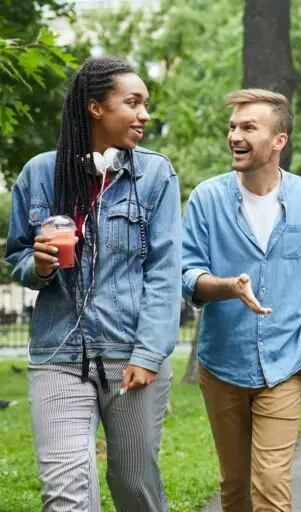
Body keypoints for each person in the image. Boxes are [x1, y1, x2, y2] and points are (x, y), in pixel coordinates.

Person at [5, 56, 182, 511]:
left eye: (146, 104)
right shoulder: (40, 174)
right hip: (59, 354)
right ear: (95, 107)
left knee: (135, 485)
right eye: (133, 102)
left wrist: (148, 353)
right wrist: (38, 268)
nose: (144, 114)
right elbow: (17, 257)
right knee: (65, 492)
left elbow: (164, 273)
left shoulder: (155, 175)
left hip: (131, 357)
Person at [181, 88, 301, 512]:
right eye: (233, 126)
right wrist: (228, 286)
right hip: (223, 363)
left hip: (283, 364)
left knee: (270, 485)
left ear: (279, 140)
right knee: (234, 487)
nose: (235, 135)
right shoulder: (207, 198)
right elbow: (187, 274)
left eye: (249, 127)